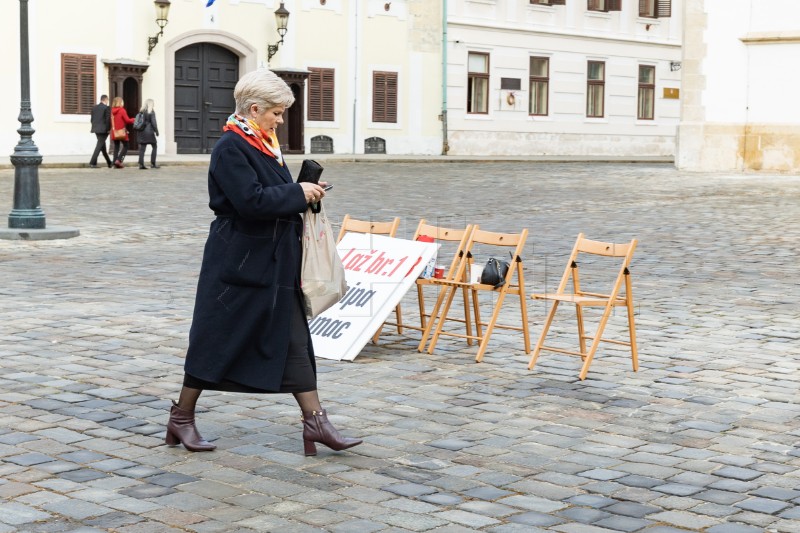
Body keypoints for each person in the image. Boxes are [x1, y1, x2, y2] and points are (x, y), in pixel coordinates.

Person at [165, 69, 362, 457]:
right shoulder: (231, 147)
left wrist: (307, 194)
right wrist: (296, 191)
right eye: (276, 112)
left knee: (293, 341)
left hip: (273, 260)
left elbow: (272, 194)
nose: (280, 119)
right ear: (254, 109)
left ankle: (316, 422)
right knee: (215, 340)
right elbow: (250, 202)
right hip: (238, 264)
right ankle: (181, 417)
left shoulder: (262, 141)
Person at [110, 97, 135, 168]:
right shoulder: (122, 110)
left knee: (116, 147)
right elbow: (127, 120)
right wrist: (134, 119)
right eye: (122, 102)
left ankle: (114, 163)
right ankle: (118, 160)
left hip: (115, 132)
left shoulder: (112, 111)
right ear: (120, 103)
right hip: (121, 132)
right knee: (126, 146)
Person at [89, 95, 112, 168]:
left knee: (102, 146)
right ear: (106, 100)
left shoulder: (94, 107)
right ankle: (92, 163)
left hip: (96, 129)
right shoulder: (107, 108)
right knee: (99, 145)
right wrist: (108, 129)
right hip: (104, 130)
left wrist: (95, 127)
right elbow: (108, 120)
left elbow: (92, 119)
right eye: (107, 100)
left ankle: (109, 163)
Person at [136, 99, 160, 170]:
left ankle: (141, 164)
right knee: (154, 146)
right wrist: (157, 131)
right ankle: (153, 163)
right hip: (149, 132)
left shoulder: (141, 111)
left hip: (142, 131)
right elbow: (154, 123)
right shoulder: (151, 112)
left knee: (142, 148)